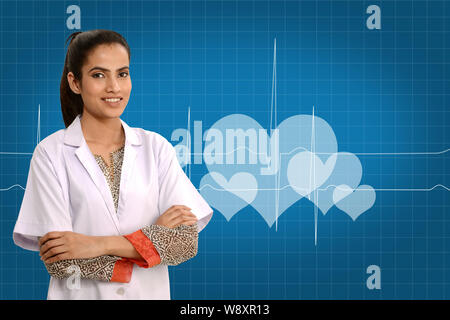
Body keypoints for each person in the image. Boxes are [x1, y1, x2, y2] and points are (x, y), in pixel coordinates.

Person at [12, 29, 213, 300]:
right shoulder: (50, 153)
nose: (114, 87)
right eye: (98, 75)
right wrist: (154, 242)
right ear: (75, 82)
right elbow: (61, 260)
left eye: (122, 73)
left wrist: (94, 244)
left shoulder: (156, 148)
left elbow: (183, 244)